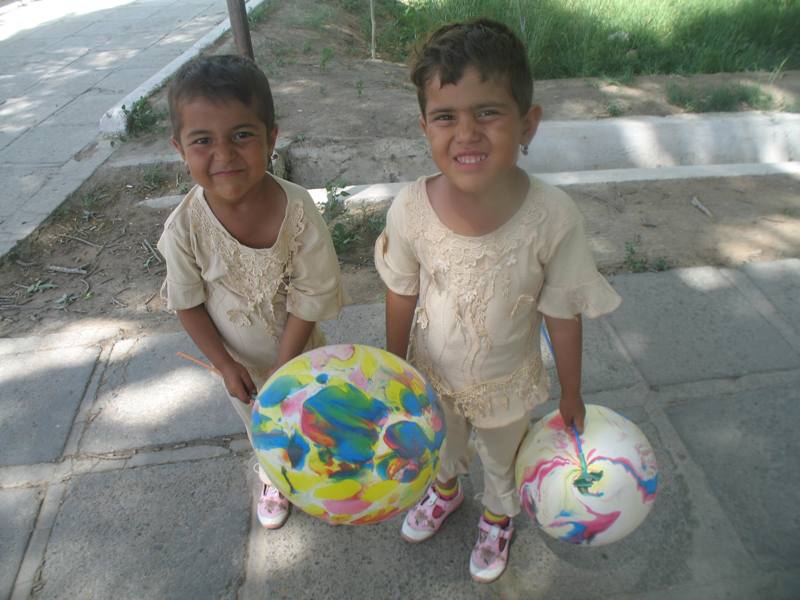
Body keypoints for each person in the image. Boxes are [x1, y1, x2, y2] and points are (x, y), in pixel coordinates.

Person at [374, 19, 621, 583]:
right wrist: (393, 373)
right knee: (442, 446)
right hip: (431, 375)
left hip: (507, 381)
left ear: (527, 123)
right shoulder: (410, 209)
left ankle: (497, 515)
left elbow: (563, 308)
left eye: (487, 112)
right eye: (445, 116)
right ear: (424, 128)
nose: (466, 133)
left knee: (503, 457)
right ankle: (445, 492)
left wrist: (572, 392)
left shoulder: (553, 217)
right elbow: (401, 291)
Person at [157, 55, 345, 531]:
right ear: (180, 148)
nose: (224, 154)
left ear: (271, 137)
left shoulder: (297, 209)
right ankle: (273, 474)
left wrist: (286, 365)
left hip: (300, 349)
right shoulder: (184, 228)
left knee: (310, 411)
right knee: (258, 424)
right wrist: (224, 364)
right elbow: (187, 302)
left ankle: (313, 464)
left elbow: (311, 293)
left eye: (242, 134)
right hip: (237, 363)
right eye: (203, 141)